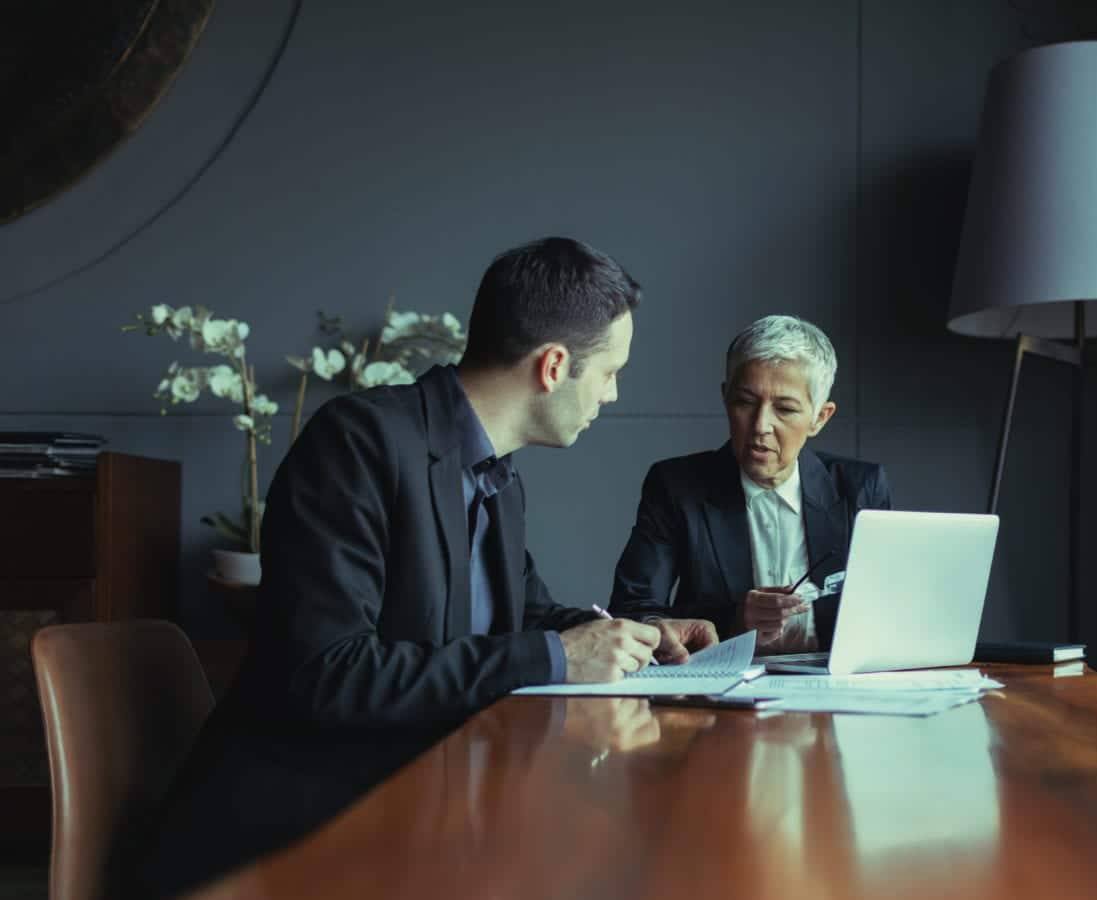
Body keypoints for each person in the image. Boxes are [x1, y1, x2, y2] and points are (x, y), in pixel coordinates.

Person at [139, 237, 717, 897]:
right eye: (611, 371)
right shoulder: (358, 443)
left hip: (423, 804)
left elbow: (524, 613)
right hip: (299, 835)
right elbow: (327, 674)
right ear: (554, 366)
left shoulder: (497, 474)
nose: (612, 395)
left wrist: (637, 633)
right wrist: (556, 657)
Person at [609, 315, 891, 652]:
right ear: (726, 398)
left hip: (832, 684)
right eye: (745, 402)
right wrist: (735, 621)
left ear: (819, 417)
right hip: (719, 686)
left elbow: (887, 610)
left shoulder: (860, 488)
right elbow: (633, 613)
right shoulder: (676, 487)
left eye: (785, 409)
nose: (761, 425)